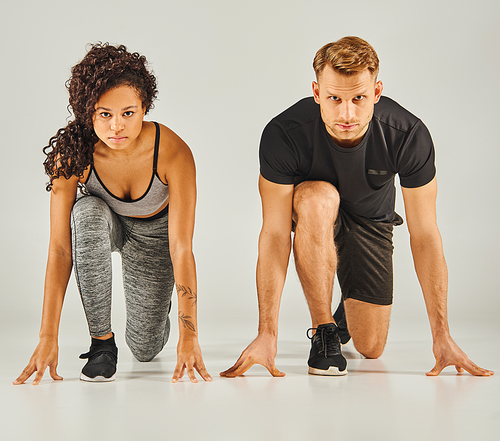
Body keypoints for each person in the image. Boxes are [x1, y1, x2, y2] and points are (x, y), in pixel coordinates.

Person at [221, 36, 493, 378]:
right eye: (334, 98)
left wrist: (442, 336)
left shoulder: (408, 135)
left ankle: (346, 308)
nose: (347, 113)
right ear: (317, 93)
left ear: (377, 93)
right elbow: (275, 234)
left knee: (370, 347)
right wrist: (267, 333)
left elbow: (425, 235)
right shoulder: (284, 133)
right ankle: (325, 331)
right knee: (320, 198)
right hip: (315, 209)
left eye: (359, 98)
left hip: (371, 220)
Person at [14, 43, 211, 385]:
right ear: (87, 111)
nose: (117, 126)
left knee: (146, 348)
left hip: (154, 236)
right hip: (104, 223)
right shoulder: (74, 154)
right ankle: (102, 344)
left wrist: (189, 335)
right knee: (86, 212)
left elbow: (181, 247)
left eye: (128, 113)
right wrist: (47, 337)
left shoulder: (172, 153)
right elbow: (60, 249)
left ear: (144, 107)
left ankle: (154, 312)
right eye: (105, 114)